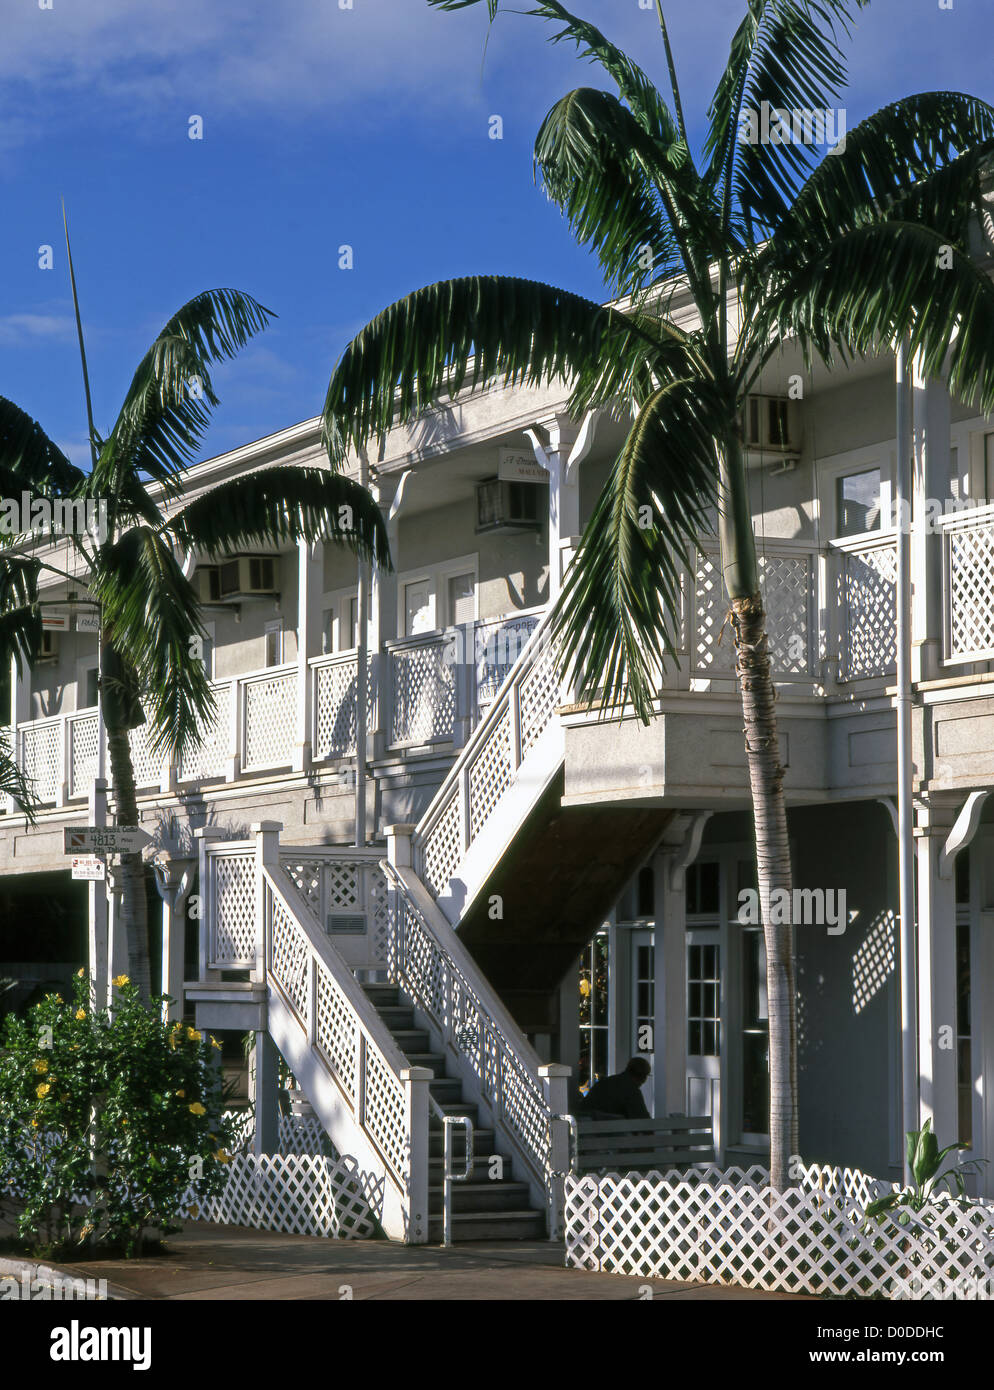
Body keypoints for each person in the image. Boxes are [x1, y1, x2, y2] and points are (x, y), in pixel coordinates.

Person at [576, 1056, 651, 1120]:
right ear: (643, 1077)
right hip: (611, 1133)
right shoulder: (631, 1090)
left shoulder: (605, 1082)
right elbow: (642, 1119)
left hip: (588, 1130)